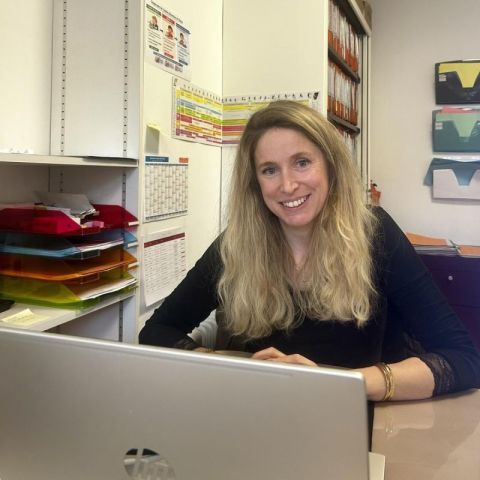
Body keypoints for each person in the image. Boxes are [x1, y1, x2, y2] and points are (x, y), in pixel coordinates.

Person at [140, 100, 480, 401]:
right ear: (255, 184)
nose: (287, 185)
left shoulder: (375, 234)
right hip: (266, 413)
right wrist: (234, 368)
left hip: (357, 413)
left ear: (330, 166)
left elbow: (464, 359)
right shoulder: (238, 244)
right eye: (269, 170)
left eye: (302, 162)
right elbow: (157, 331)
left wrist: (340, 383)